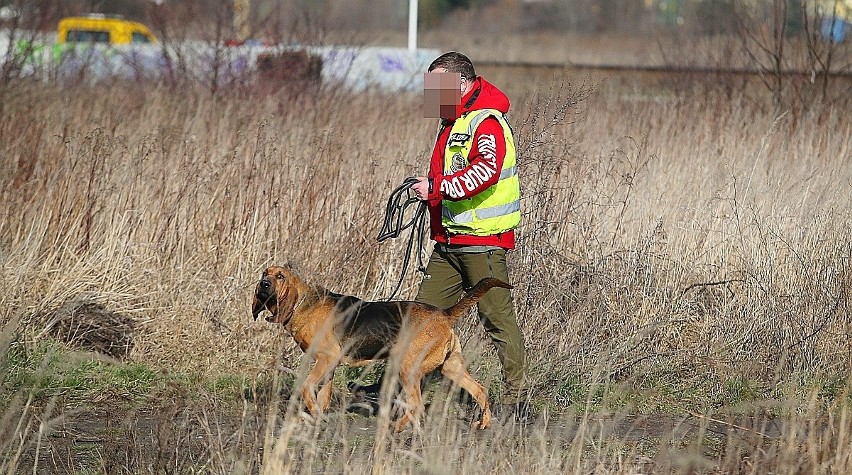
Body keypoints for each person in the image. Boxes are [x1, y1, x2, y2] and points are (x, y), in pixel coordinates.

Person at [411, 51, 529, 421]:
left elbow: (485, 172)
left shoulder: (487, 122)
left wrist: (435, 187)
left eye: (438, 86)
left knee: (497, 321)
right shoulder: (451, 122)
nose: (432, 93)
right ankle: (398, 388)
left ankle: (515, 400)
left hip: (483, 242)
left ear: (462, 84)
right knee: (418, 318)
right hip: (449, 244)